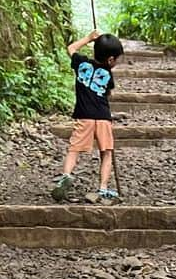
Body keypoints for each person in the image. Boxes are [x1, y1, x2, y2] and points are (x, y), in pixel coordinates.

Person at [52, 30, 124, 202]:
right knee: (106, 152)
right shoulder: (108, 75)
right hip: (103, 117)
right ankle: (103, 188)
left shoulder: (81, 63)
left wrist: (88, 38)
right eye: (117, 59)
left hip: (84, 116)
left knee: (74, 149)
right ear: (110, 60)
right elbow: (108, 94)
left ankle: (66, 176)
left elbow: (71, 47)